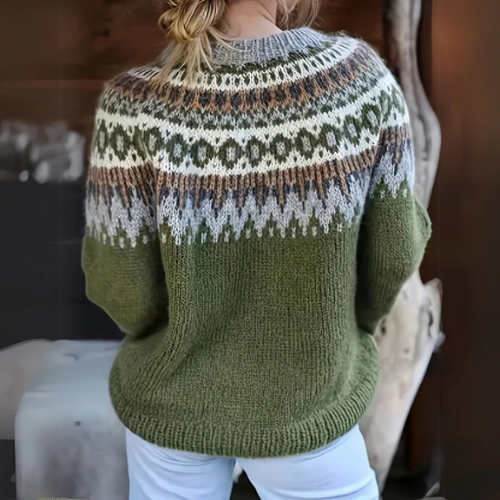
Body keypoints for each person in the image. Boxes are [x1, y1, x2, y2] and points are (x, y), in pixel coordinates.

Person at [81, 0, 432, 497]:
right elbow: (394, 254)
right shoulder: (359, 81)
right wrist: (335, 330)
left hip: (171, 404)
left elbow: (122, 290)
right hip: (307, 403)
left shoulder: (130, 105)